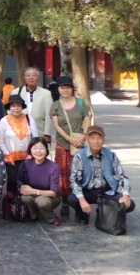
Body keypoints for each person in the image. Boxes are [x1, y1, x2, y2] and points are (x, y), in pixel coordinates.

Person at [68, 125, 135, 225]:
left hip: (107, 191)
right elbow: (74, 180)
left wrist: (126, 195)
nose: (96, 141)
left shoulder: (111, 155)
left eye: (99, 138)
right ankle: (82, 214)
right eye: (92, 138)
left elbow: (122, 176)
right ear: (87, 139)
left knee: (129, 205)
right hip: (88, 191)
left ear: (104, 139)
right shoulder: (80, 156)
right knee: (73, 199)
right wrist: (82, 200)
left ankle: (103, 210)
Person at [51, 76, 91, 216]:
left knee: (80, 172)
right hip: (62, 144)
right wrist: (69, 139)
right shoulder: (55, 105)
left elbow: (87, 119)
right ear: (58, 89)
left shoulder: (81, 103)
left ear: (72, 89)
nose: (65, 90)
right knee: (63, 173)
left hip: (79, 144)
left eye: (67, 87)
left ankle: (80, 201)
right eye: (62, 88)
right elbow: (56, 125)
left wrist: (84, 136)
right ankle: (65, 201)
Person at [0, 94, 39, 219]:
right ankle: (12, 210)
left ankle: (27, 209)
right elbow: (1, 142)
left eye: (18, 106)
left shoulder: (29, 118)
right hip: (11, 159)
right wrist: (8, 156)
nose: (16, 108)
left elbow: (35, 138)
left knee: (28, 183)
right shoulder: (4, 121)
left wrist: (32, 154)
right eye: (13, 106)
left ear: (22, 107)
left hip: (28, 158)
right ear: (9, 107)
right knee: (12, 182)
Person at [17, 137, 62, 226]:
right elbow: (19, 180)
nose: (38, 151)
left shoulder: (53, 167)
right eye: (35, 148)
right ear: (30, 150)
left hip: (50, 197)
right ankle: (34, 215)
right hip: (32, 195)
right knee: (25, 198)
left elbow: (54, 192)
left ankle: (52, 218)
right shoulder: (25, 164)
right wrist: (22, 187)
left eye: (41, 148)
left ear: (46, 150)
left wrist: (34, 191)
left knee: (41, 201)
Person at [13, 67, 54, 143]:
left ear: (38, 78)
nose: (31, 78)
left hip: (40, 132)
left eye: (34, 75)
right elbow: (10, 112)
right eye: (28, 75)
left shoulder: (46, 94)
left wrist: (47, 133)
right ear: (24, 78)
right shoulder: (16, 92)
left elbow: (49, 115)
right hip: (19, 132)